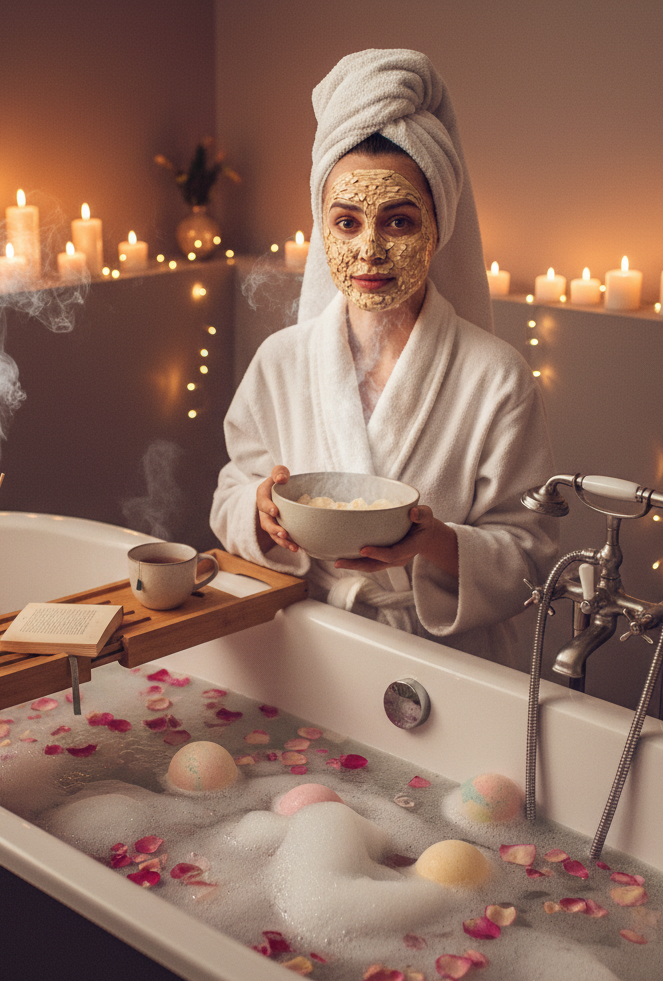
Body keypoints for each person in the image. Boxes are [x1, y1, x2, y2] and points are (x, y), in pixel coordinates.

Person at [210, 49, 558, 669]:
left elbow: (529, 553)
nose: (369, 250)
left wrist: (439, 544)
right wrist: (260, 510)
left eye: (398, 221)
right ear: (322, 228)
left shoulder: (496, 376)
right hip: (310, 643)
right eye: (346, 223)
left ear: (438, 225)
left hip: (446, 661)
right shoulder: (282, 360)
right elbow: (232, 490)